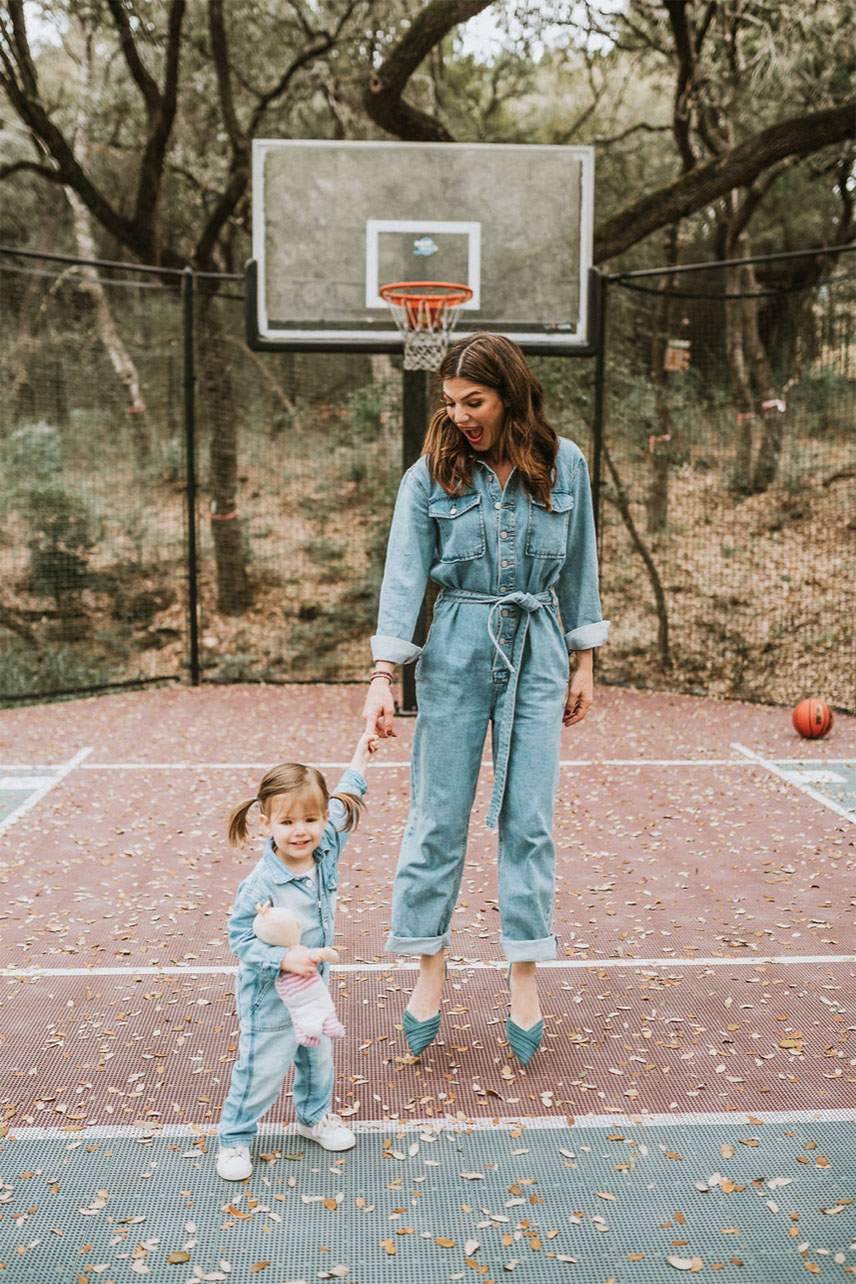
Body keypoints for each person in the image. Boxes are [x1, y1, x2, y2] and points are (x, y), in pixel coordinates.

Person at [363, 332, 608, 1066]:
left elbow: (583, 563)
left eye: (475, 401)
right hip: (457, 642)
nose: (462, 415)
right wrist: (383, 675)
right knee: (437, 814)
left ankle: (524, 980)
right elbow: (405, 577)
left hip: (536, 643)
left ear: (509, 393)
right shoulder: (430, 475)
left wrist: (583, 659)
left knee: (527, 817)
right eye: (451, 403)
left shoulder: (564, 465)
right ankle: (429, 975)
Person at [215, 731, 377, 1181]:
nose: (300, 831)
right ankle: (234, 1138)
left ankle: (312, 1118)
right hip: (268, 993)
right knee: (263, 1066)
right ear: (264, 823)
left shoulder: (325, 846)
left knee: (317, 1054)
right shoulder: (259, 884)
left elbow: (347, 799)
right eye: (287, 823)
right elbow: (240, 939)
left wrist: (361, 754)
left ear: (323, 819)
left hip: (312, 986)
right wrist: (281, 960)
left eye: (310, 819)